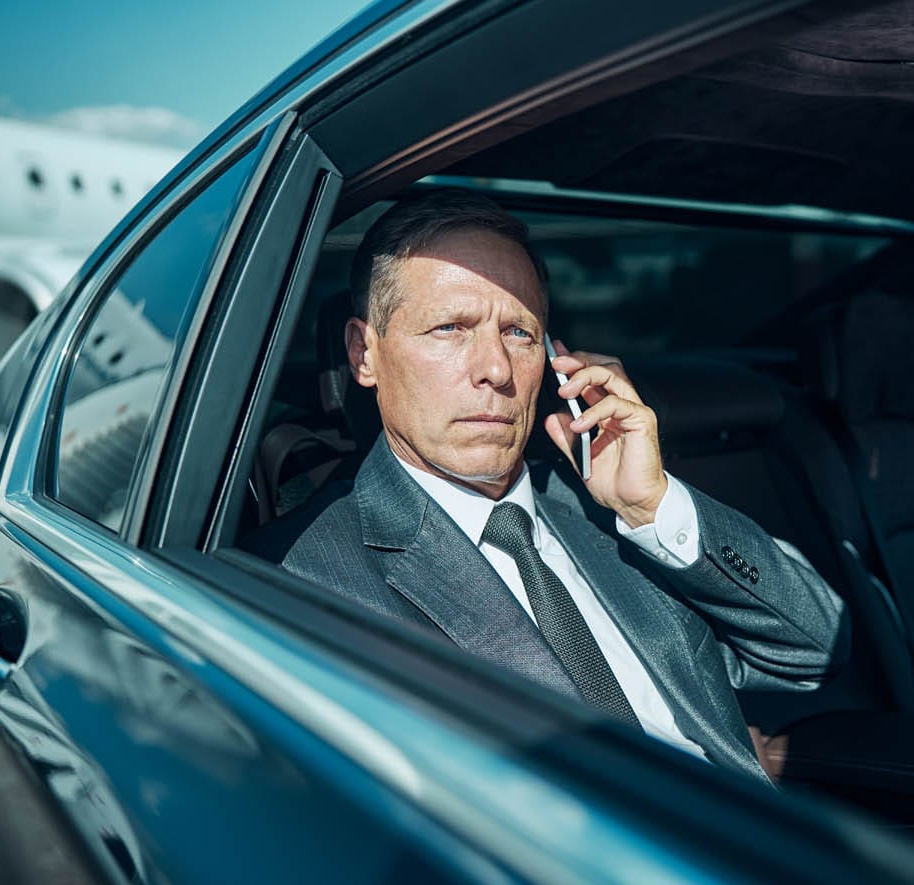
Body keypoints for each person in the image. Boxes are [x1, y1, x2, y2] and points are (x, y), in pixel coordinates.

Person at [250, 189, 849, 782]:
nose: (495, 369)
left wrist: (653, 504)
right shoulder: (299, 577)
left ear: (554, 358)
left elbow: (817, 648)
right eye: (450, 328)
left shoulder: (610, 518)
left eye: (519, 333)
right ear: (365, 354)